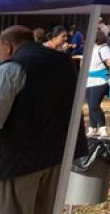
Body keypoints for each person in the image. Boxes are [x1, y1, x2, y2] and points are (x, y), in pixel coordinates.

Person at [0, 26, 88, 214]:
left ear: (7, 45)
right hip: (58, 154)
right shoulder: (63, 61)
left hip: (19, 160)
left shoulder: (12, 68)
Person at [85, 30, 110, 138]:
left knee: (94, 105)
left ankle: (103, 127)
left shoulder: (103, 48)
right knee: (91, 106)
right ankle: (93, 128)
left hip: (100, 81)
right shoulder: (90, 49)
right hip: (89, 81)